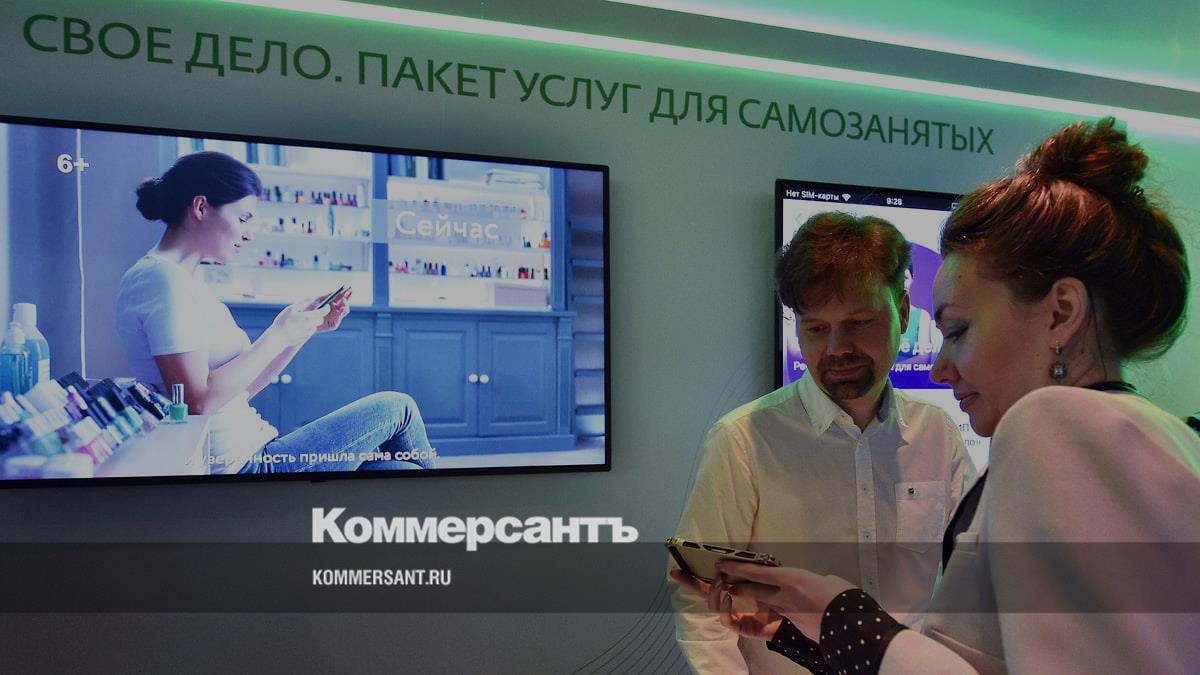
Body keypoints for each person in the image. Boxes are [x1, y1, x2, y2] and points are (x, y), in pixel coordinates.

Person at [687, 118, 1200, 673]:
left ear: (1061, 312)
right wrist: (812, 629)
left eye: (957, 330)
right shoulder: (1161, 436)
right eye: (815, 328)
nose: (938, 368)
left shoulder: (1054, 425)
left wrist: (840, 616)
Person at [670, 212, 975, 673]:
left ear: (902, 311)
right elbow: (702, 606)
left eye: (858, 322)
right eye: (815, 328)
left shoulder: (937, 433)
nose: (837, 348)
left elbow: (970, 574)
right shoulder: (742, 441)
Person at [117, 151, 435, 475]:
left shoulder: (182, 280)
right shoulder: (162, 280)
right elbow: (197, 403)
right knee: (399, 407)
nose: (249, 233)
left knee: (400, 469)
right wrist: (278, 334)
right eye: (243, 218)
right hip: (247, 466)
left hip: (257, 452)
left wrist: (299, 332)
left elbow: (240, 390)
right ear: (200, 208)